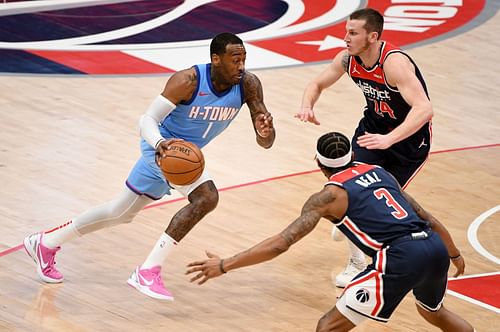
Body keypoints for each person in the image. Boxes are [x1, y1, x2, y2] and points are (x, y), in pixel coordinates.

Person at [23, 32, 276, 301]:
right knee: (206, 197)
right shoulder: (188, 81)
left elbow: (267, 142)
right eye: (235, 59)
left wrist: (264, 132)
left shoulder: (248, 84)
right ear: (216, 59)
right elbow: (147, 119)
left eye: (244, 59)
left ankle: (45, 243)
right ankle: (147, 271)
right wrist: (159, 144)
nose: (241, 65)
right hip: (161, 148)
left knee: (119, 212)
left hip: (184, 157)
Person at [186, 131, 473, 332]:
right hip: (434, 247)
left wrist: (225, 265)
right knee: (433, 312)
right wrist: (454, 254)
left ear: (319, 163)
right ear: (351, 154)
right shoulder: (381, 173)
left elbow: (280, 244)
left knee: (327, 327)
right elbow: (428, 218)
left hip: (399, 257)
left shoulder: (328, 197)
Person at [295, 8, 434, 287]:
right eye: (346, 31)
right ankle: (357, 262)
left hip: (408, 141)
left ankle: (357, 227)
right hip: (371, 131)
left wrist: (389, 139)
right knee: (353, 191)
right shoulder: (348, 59)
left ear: (372, 36)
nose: (345, 37)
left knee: (378, 203)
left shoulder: (393, 63)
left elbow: (425, 109)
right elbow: (317, 82)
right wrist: (307, 105)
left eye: (353, 32)